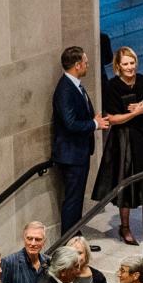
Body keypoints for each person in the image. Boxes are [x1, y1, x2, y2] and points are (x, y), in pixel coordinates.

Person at [90, 46, 143, 244]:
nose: (129, 67)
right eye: (125, 64)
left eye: (132, 62)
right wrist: (133, 114)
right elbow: (112, 119)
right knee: (125, 184)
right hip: (123, 141)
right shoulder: (112, 87)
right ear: (118, 66)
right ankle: (124, 227)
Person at [51, 45, 99, 236]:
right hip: (71, 155)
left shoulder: (74, 85)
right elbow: (70, 123)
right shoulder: (65, 89)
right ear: (78, 65)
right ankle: (69, 240)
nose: (88, 65)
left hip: (78, 153)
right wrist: (94, 124)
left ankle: (76, 237)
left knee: (77, 199)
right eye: (86, 62)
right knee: (73, 199)